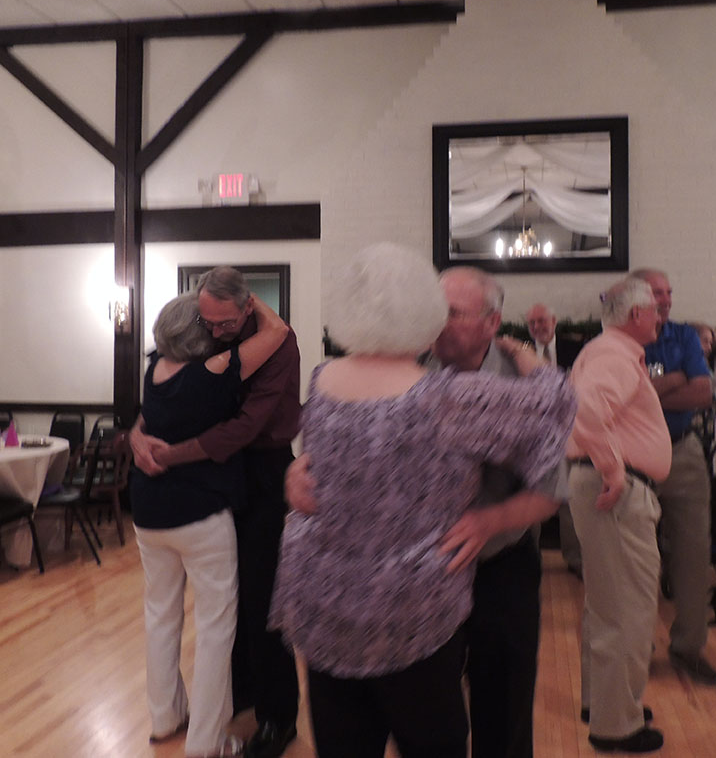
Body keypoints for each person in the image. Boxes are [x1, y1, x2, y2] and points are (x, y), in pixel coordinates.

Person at [271, 243, 576, 758]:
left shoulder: (326, 380)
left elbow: (551, 484)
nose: (440, 323)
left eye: (453, 312)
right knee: (425, 733)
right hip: (413, 602)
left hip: (415, 585)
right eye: (438, 309)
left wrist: (492, 520)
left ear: (491, 322)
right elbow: (558, 400)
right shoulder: (440, 391)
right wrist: (292, 479)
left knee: (497, 710)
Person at [130, 267, 301, 758]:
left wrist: (167, 453)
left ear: (248, 307)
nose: (215, 332)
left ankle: (278, 716)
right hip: (214, 476)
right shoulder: (207, 341)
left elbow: (241, 429)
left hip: (261, 468)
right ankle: (239, 695)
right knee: (228, 602)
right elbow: (168, 402)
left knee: (262, 598)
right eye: (208, 322)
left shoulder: (278, 345)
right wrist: (139, 434)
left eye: (224, 323)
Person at [566, 276, 671, 754]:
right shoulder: (615, 354)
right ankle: (617, 726)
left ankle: (605, 704)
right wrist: (612, 469)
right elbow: (585, 409)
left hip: (602, 486)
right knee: (628, 609)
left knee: (607, 605)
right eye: (655, 308)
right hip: (615, 492)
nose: (661, 315)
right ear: (636, 315)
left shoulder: (605, 351)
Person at [633, 269, 716, 686]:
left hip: (683, 453)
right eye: (657, 293)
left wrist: (649, 389)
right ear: (636, 298)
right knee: (635, 561)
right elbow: (622, 401)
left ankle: (688, 649)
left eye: (669, 292)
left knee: (693, 555)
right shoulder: (620, 338)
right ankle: (637, 651)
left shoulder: (684, 336)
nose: (666, 299)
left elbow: (703, 393)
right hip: (633, 457)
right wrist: (674, 380)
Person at [526, 302, 584, 581]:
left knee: (571, 499)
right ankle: (530, 559)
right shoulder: (521, 353)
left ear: (554, 321)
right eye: (532, 323)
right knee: (532, 498)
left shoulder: (577, 350)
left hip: (571, 436)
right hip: (532, 440)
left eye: (542, 321)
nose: (538, 327)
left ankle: (576, 558)